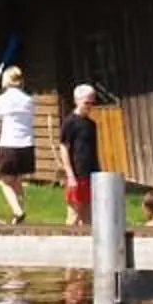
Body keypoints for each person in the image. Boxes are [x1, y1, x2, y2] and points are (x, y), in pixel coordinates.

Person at [0, 64, 37, 224]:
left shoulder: (2, 99)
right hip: (26, 144)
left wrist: (0, 126)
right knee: (17, 179)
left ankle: (18, 211)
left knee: (5, 181)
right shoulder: (28, 99)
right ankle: (20, 213)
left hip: (9, 143)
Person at [60, 82, 103, 225]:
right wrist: (70, 175)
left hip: (91, 173)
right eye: (87, 103)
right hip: (76, 174)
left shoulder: (91, 124)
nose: (90, 106)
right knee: (73, 215)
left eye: (92, 103)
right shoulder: (70, 122)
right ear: (77, 101)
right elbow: (64, 148)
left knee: (88, 216)